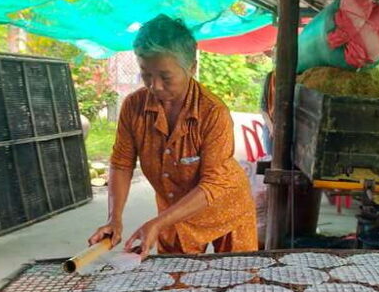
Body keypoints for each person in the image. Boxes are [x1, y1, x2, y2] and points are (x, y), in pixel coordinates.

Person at [89, 14, 257, 259]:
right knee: (176, 288)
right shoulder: (133, 107)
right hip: (174, 216)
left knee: (238, 285)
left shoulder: (212, 112)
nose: (154, 85)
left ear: (191, 68)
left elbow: (213, 184)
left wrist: (157, 223)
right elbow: (122, 163)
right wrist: (114, 219)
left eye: (165, 77)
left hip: (227, 211)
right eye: (146, 74)